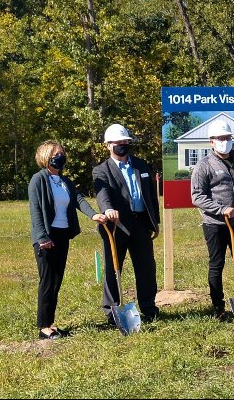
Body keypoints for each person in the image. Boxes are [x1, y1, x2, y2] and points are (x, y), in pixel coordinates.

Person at [28, 140, 100, 339]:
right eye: (56, 154)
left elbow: (78, 200)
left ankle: (51, 323)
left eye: (62, 154)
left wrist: (94, 215)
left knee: (57, 280)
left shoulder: (64, 181)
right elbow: (35, 210)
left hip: (62, 234)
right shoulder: (38, 179)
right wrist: (42, 237)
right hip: (46, 237)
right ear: (46, 157)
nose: (61, 157)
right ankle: (43, 327)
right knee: (48, 281)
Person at [191, 118, 234, 320]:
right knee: (217, 263)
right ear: (211, 141)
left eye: (228, 137)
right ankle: (218, 307)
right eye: (220, 138)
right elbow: (197, 196)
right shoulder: (204, 166)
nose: (225, 141)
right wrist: (222, 210)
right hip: (215, 225)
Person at [93, 123, 160, 325]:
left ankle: (149, 307)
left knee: (146, 268)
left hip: (141, 223)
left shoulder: (141, 165)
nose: (122, 146)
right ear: (108, 145)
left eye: (125, 142)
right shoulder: (101, 170)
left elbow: (150, 196)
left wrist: (154, 222)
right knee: (114, 268)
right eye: (118, 143)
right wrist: (107, 209)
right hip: (116, 225)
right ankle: (112, 311)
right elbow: (102, 194)